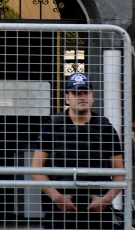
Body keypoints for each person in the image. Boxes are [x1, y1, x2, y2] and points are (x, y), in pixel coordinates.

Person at [31, 73, 125, 229]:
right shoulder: (52, 126)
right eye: (76, 93)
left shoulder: (105, 128)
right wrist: (58, 198)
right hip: (60, 209)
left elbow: (119, 171)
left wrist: (106, 200)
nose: (82, 97)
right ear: (67, 98)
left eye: (85, 92)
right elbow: (36, 168)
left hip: (97, 208)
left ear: (92, 96)